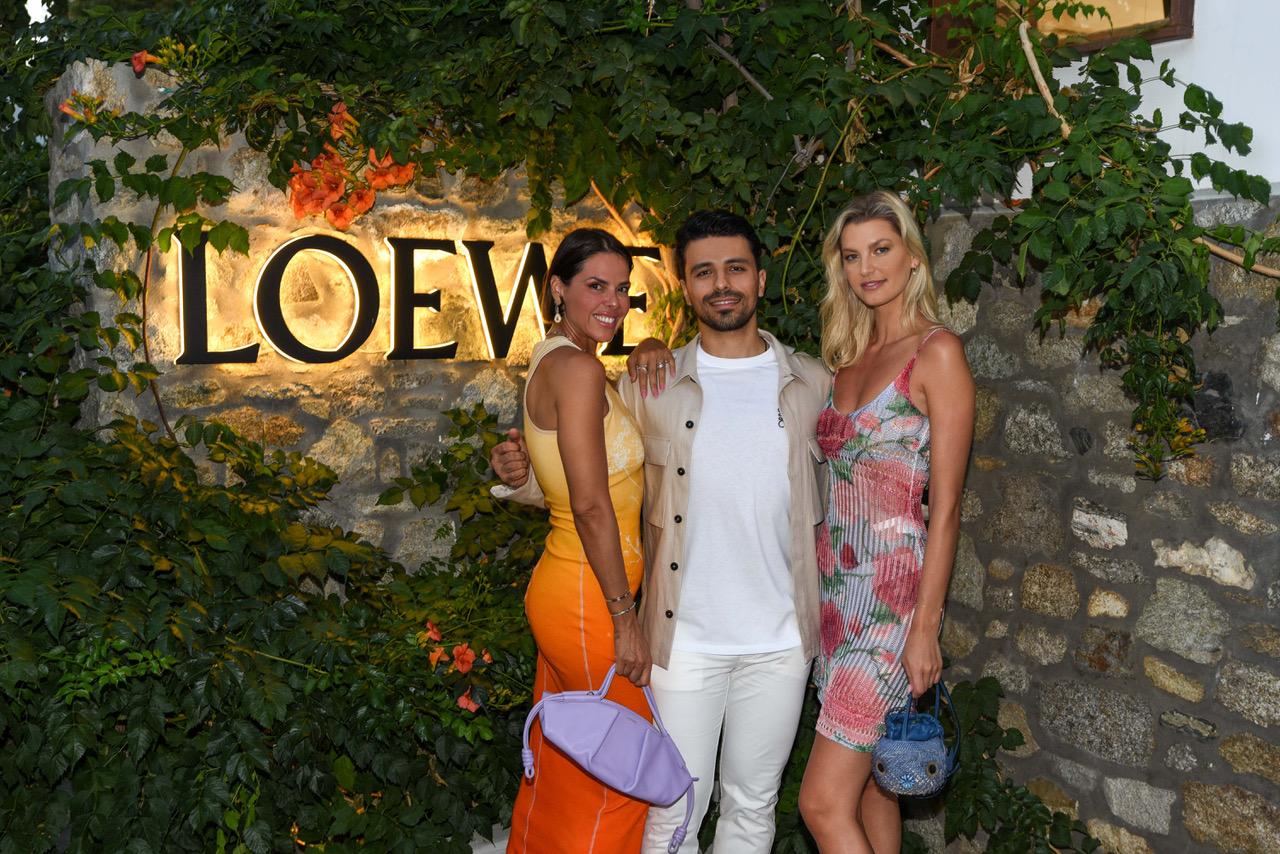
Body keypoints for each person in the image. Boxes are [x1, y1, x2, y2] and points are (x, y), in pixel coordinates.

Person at [492, 210, 830, 854]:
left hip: (782, 640)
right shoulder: (649, 384)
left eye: (736, 269)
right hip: (680, 641)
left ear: (761, 280)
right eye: (704, 272)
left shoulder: (812, 384)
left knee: (753, 808)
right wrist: (521, 475)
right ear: (686, 287)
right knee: (670, 811)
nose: (721, 284)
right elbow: (594, 484)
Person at [796, 191, 974, 854]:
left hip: (891, 609)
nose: (867, 267)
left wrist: (925, 628)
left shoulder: (936, 352)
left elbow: (946, 508)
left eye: (881, 249)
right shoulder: (846, 356)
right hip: (837, 605)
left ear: (912, 258)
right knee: (876, 788)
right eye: (852, 256)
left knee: (821, 804)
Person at [506, 228, 653, 854]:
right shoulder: (578, 369)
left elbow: (556, 483)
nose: (613, 303)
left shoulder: (555, 358)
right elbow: (590, 506)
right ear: (558, 288)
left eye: (622, 289)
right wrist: (626, 619)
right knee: (624, 776)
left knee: (563, 766)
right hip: (590, 600)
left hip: (570, 588)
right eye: (596, 286)